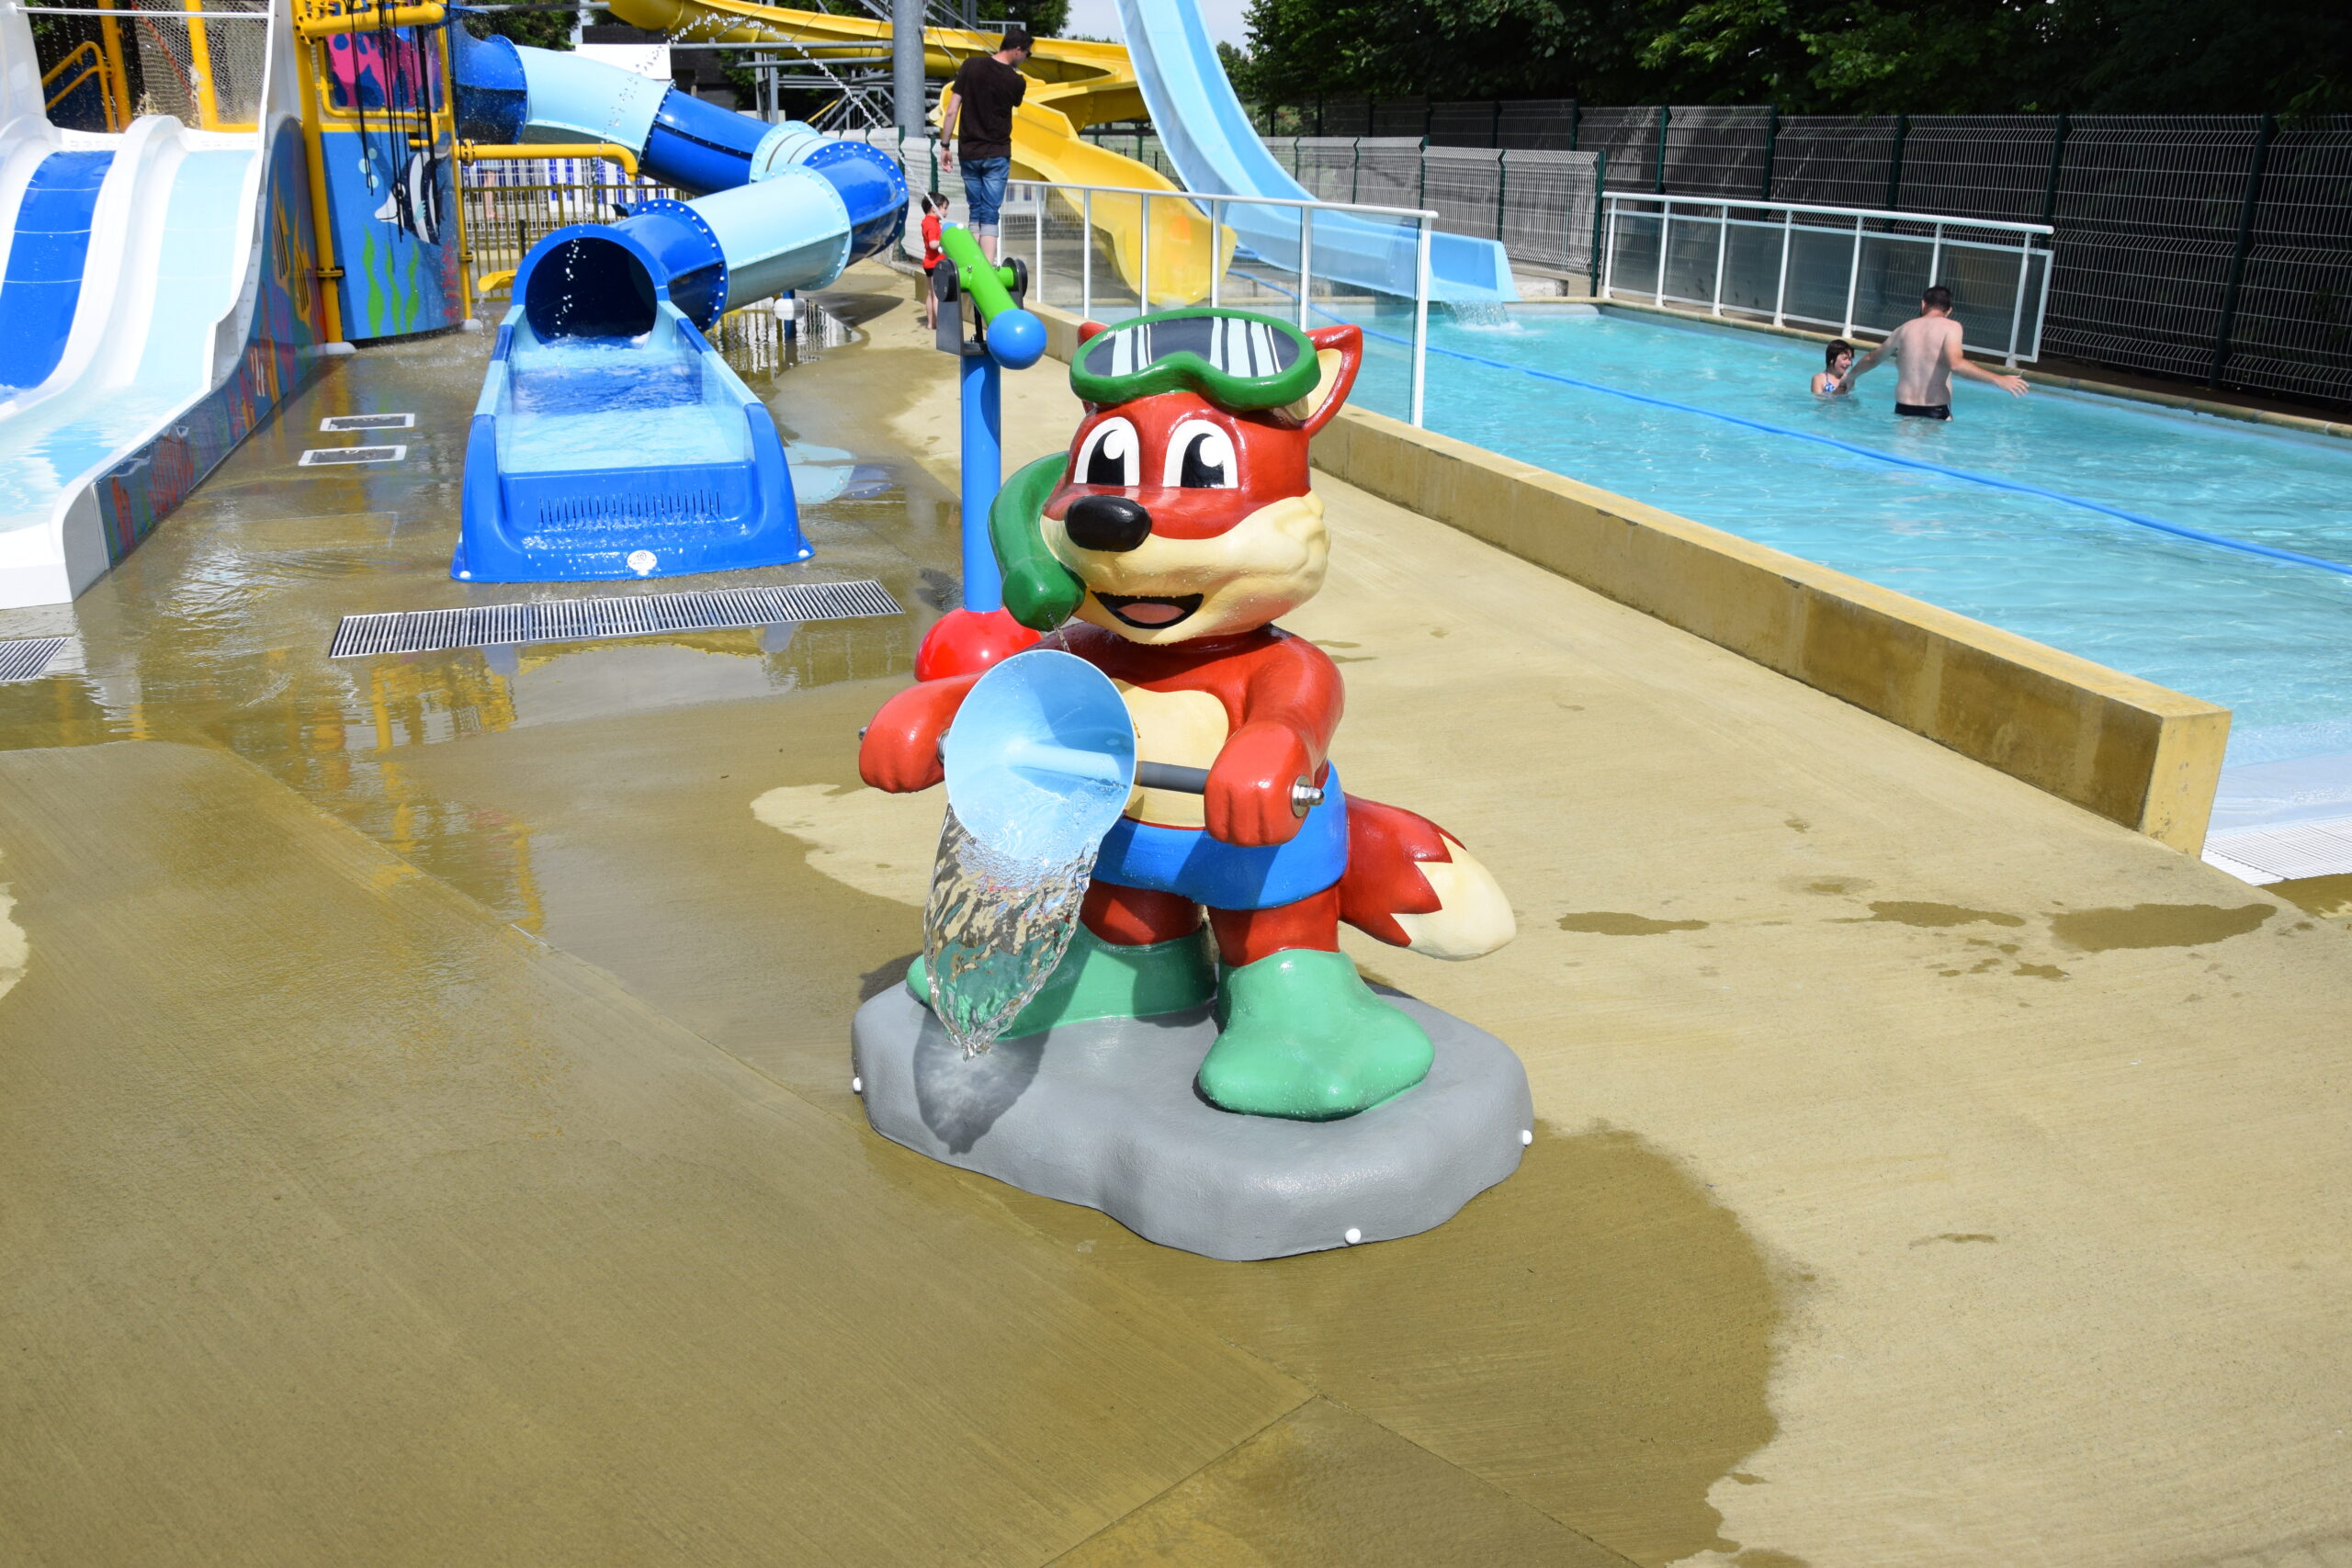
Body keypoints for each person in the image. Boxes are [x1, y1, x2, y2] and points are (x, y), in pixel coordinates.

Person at [1837, 285, 2029, 418]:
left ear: (1923, 304)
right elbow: (1956, 364)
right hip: (1935, 411)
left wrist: (1850, 377)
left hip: (1903, 409)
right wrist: (1998, 379)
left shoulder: (1904, 329)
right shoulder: (1951, 327)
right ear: (1949, 310)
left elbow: (1872, 358)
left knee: (1902, 471)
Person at [938, 29, 1031, 263]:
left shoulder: (970, 66)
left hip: (969, 152)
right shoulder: (1017, 81)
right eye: (1026, 54)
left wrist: (945, 145)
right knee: (990, 213)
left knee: (975, 211)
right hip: (997, 154)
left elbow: (951, 110)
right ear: (1017, 50)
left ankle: (971, 264)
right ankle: (987, 269)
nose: (1025, 59)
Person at [919, 192, 945, 330]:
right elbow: (933, 244)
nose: (946, 211)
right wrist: (945, 241)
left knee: (931, 293)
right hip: (936, 264)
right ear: (934, 208)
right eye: (944, 208)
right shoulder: (932, 224)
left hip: (929, 263)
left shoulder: (927, 221)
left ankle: (931, 323)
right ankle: (942, 325)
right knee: (938, 295)